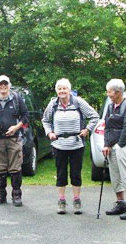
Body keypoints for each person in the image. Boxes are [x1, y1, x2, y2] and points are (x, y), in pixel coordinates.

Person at [42, 78, 99, 215]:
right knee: (61, 173)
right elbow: (45, 120)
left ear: (69, 90)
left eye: (64, 88)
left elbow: (94, 116)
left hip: (76, 144)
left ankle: (76, 200)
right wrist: (49, 132)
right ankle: (61, 201)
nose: (62, 91)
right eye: (59, 89)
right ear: (57, 91)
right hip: (59, 144)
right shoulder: (53, 104)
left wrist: (87, 130)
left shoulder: (78, 102)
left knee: (76, 173)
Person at [0, 75, 29, 206]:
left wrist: (16, 127)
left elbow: (25, 116)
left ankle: (16, 195)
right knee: (0, 168)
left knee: (15, 168)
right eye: (0, 84)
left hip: (14, 138)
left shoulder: (16, 99)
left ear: (9, 85)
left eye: (5, 84)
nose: (3, 87)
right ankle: (0, 195)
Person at [101, 79, 126, 220]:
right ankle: (120, 204)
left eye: (110, 91)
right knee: (115, 176)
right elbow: (107, 126)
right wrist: (106, 144)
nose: (108, 94)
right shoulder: (111, 106)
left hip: (124, 145)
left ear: (118, 92)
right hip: (111, 146)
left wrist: (120, 144)